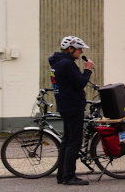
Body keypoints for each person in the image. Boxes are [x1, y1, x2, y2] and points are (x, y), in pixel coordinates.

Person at [49, 36, 94, 186]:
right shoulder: (67, 64)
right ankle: (69, 176)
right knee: (74, 142)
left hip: (64, 105)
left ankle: (61, 175)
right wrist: (87, 70)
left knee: (66, 141)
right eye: (79, 49)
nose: (81, 52)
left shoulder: (57, 63)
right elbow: (80, 83)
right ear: (70, 49)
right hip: (73, 106)